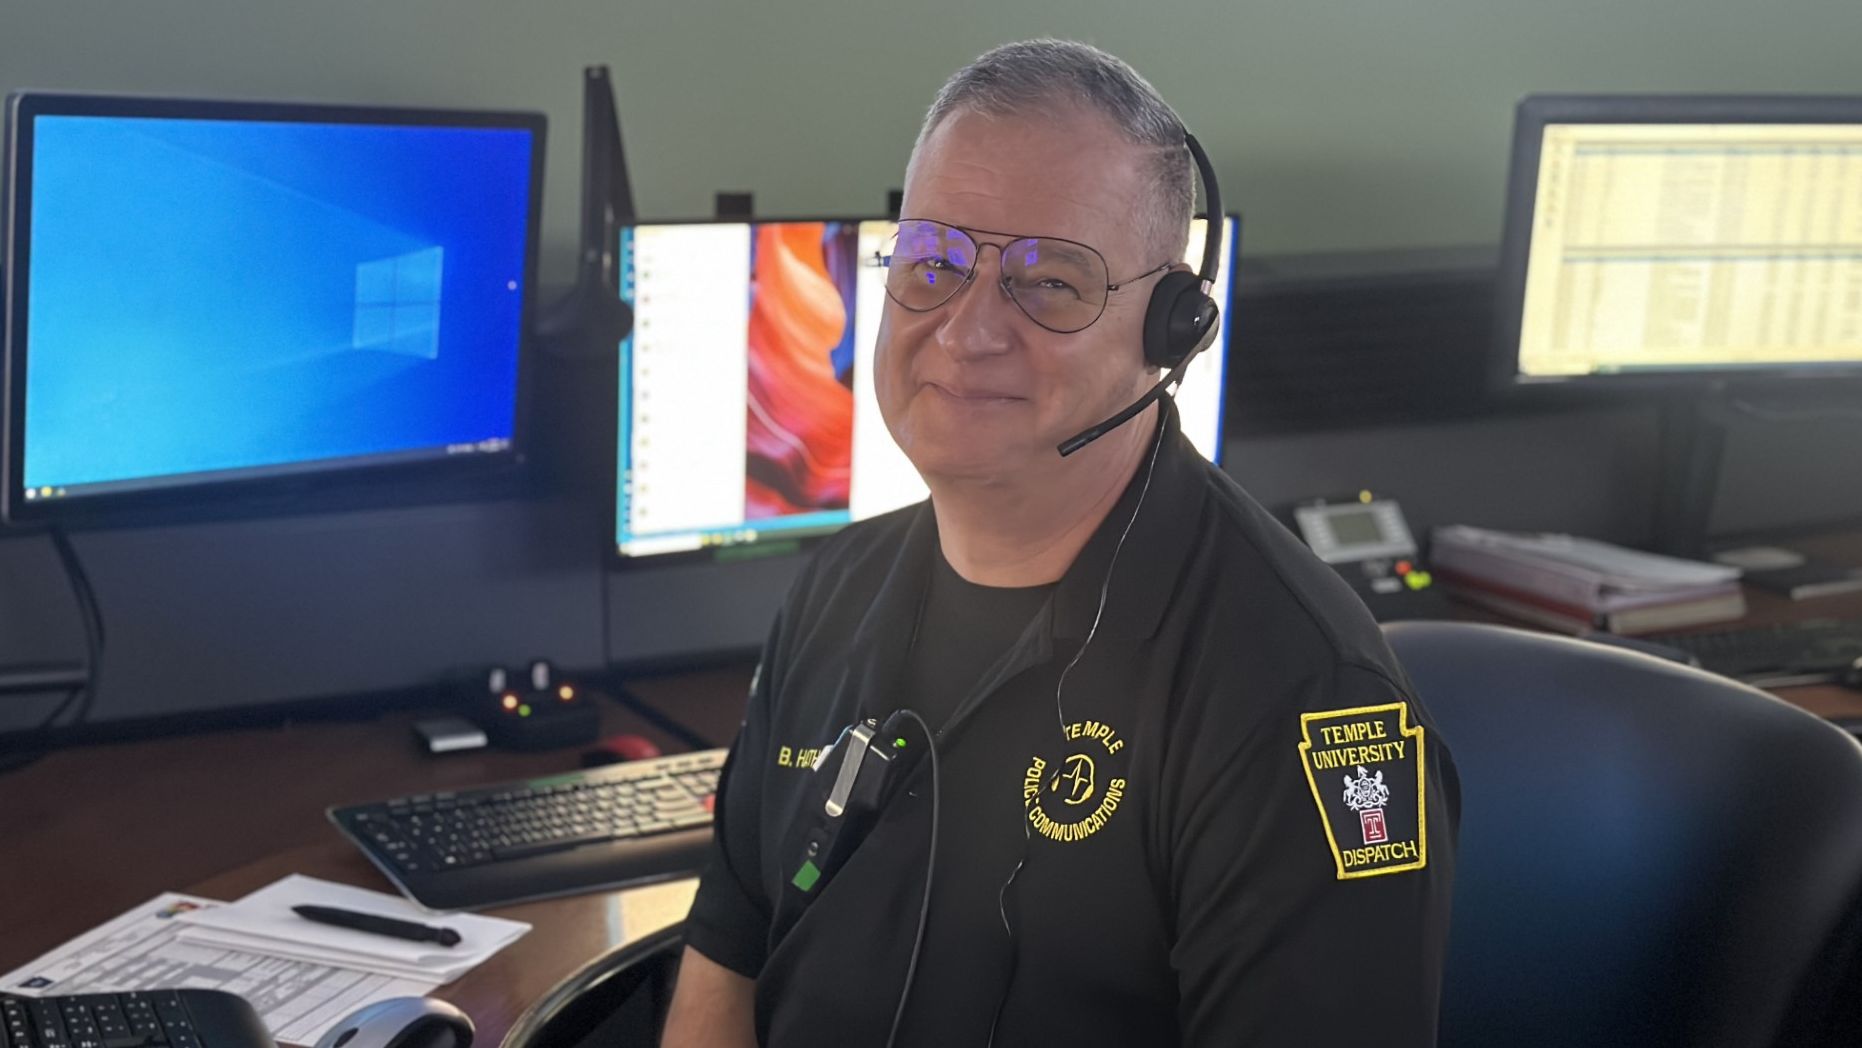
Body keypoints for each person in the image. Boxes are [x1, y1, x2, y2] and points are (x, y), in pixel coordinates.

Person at [663, 38, 1458, 1048]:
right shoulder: (836, 587)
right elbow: (725, 965)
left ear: (1171, 326)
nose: (963, 330)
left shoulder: (1296, 691)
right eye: (932, 262)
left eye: (1048, 282)